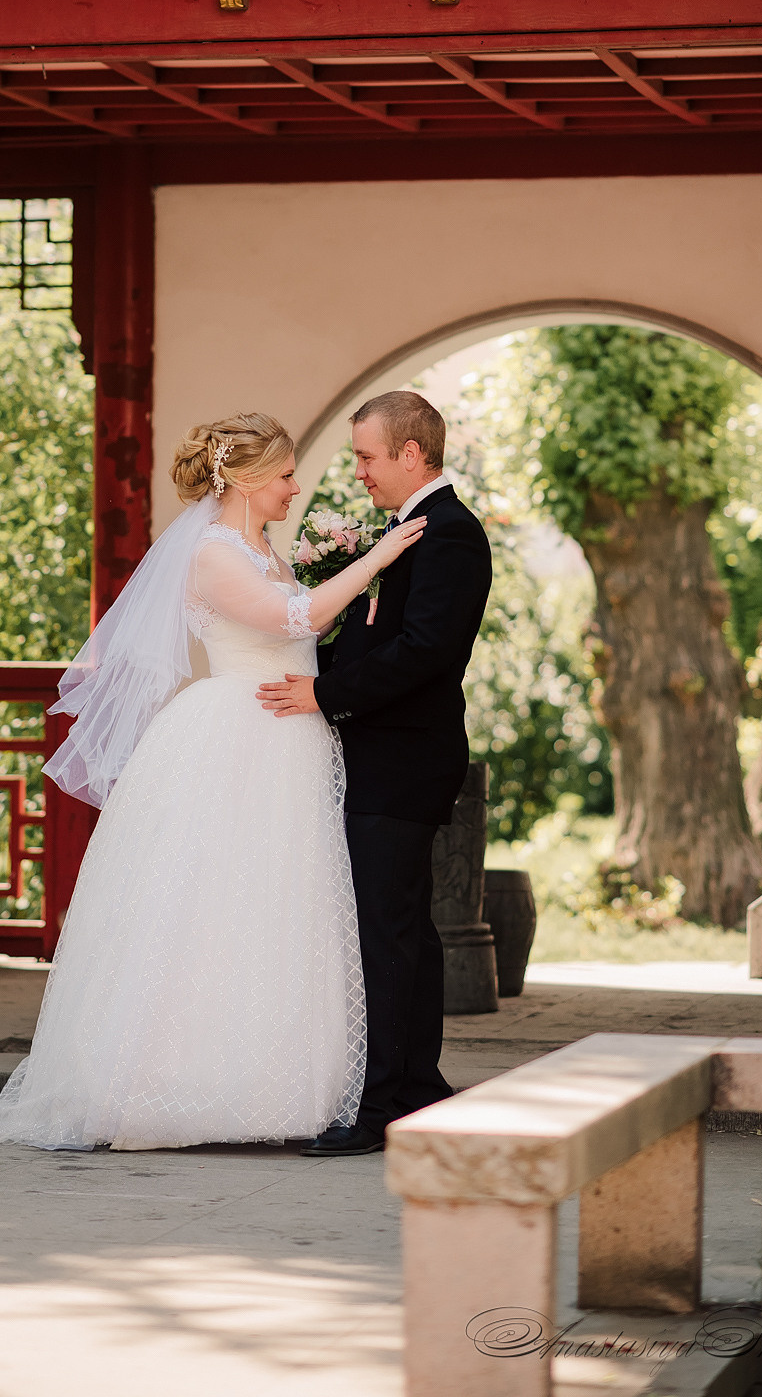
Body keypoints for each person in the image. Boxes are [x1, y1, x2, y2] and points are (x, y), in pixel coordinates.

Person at [0, 412, 424, 1152]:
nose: (296, 486)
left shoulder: (263, 548)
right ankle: (181, 1089)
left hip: (291, 738)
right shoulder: (215, 556)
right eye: (285, 474)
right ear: (247, 481)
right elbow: (296, 615)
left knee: (284, 908)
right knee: (213, 906)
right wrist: (373, 560)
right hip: (237, 734)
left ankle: (284, 1090)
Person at [259, 391, 493, 1157]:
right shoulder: (405, 531)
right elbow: (373, 640)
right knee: (403, 932)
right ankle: (417, 1090)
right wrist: (302, 667)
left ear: (412, 455)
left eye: (366, 456)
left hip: (404, 760)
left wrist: (323, 694)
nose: (358, 471)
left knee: (388, 934)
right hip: (383, 754)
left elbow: (424, 650)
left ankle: (385, 1106)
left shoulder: (451, 536)